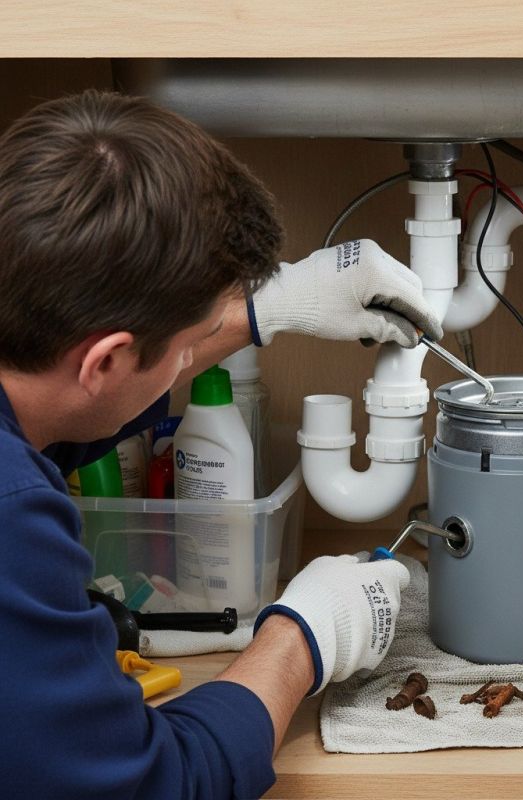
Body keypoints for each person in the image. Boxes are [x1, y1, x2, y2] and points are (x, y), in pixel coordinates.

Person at [0, 90, 443, 799]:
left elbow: (54, 417)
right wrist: (303, 636)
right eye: (186, 351)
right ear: (106, 361)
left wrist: (266, 307)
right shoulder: (10, 520)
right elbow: (157, 785)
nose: (190, 364)